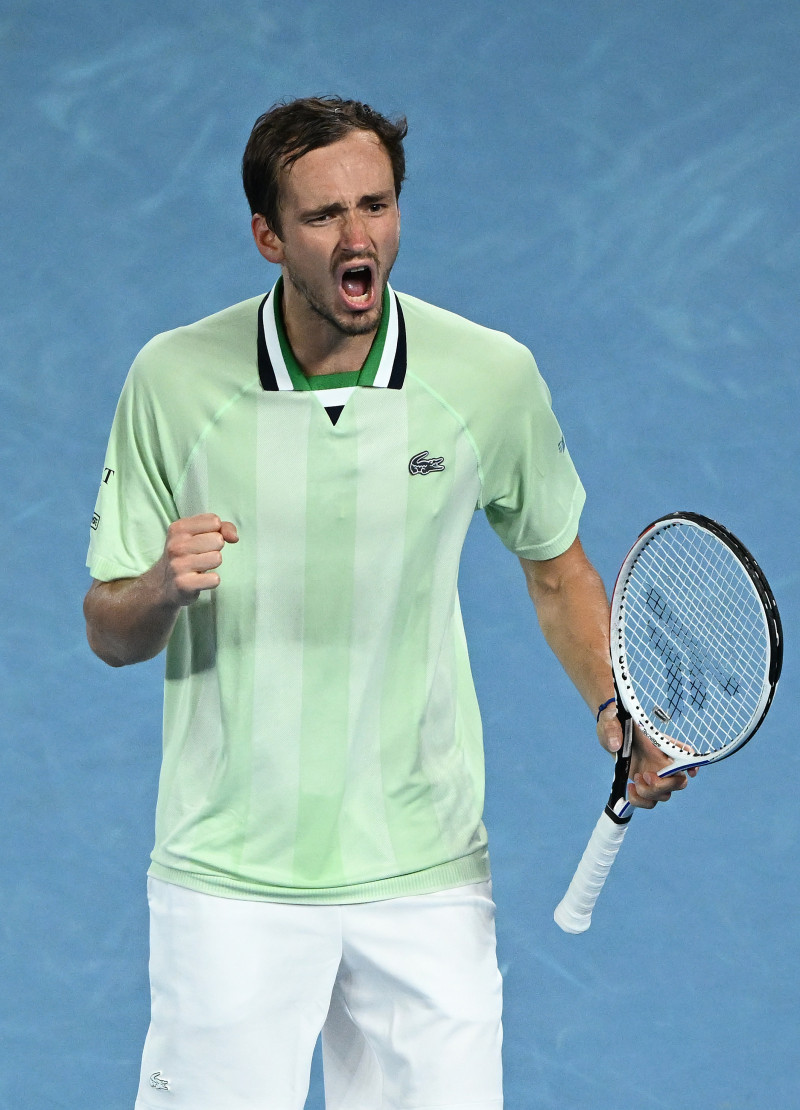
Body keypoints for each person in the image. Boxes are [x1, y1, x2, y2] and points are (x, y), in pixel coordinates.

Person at [84, 96, 691, 1110]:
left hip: (423, 876)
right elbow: (109, 629)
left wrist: (608, 700)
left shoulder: (486, 378)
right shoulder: (173, 380)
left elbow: (555, 568)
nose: (358, 238)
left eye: (377, 205)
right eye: (322, 217)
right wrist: (158, 588)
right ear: (268, 237)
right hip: (229, 880)